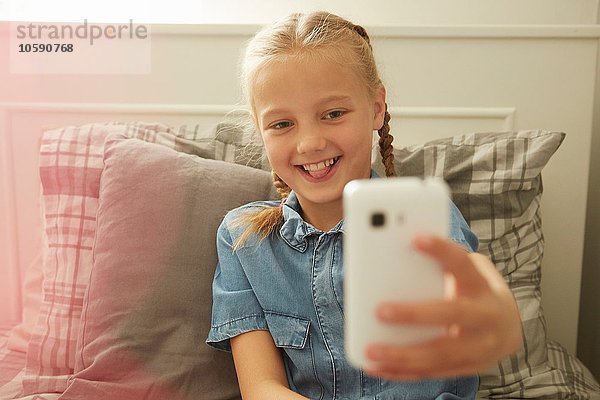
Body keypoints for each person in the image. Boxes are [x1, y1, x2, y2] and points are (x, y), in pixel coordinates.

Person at [206, 11, 522, 399]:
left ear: (375, 107)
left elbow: (484, 312)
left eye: (333, 114)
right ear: (259, 129)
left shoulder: (422, 216)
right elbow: (261, 387)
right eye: (282, 124)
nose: (309, 144)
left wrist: (492, 319)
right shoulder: (243, 240)